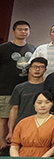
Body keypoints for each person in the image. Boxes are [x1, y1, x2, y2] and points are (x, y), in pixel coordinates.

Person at [0, 20, 35, 149]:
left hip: (26, 89)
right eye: (20, 29)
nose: (23, 32)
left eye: (26, 29)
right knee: (3, 118)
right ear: (13, 31)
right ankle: (2, 146)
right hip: (5, 89)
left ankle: (19, 144)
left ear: (29, 32)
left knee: (23, 118)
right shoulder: (3, 48)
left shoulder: (33, 49)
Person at [6, 57, 47, 145]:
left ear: (45, 69)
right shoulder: (19, 88)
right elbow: (14, 109)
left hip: (44, 125)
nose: (37, 69)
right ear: (30, 69)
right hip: (22, 125)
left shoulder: (48, 87)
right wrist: (10, 131)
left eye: (41, 67)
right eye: (34, 67)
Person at [10, 91, 54, 157]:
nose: (43, 105)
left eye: (47, 102)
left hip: (45, 158)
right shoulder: (23, 122)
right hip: (23, 158)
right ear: (34, 104)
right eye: (39, 102)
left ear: (52, 104)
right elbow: (14, 146)